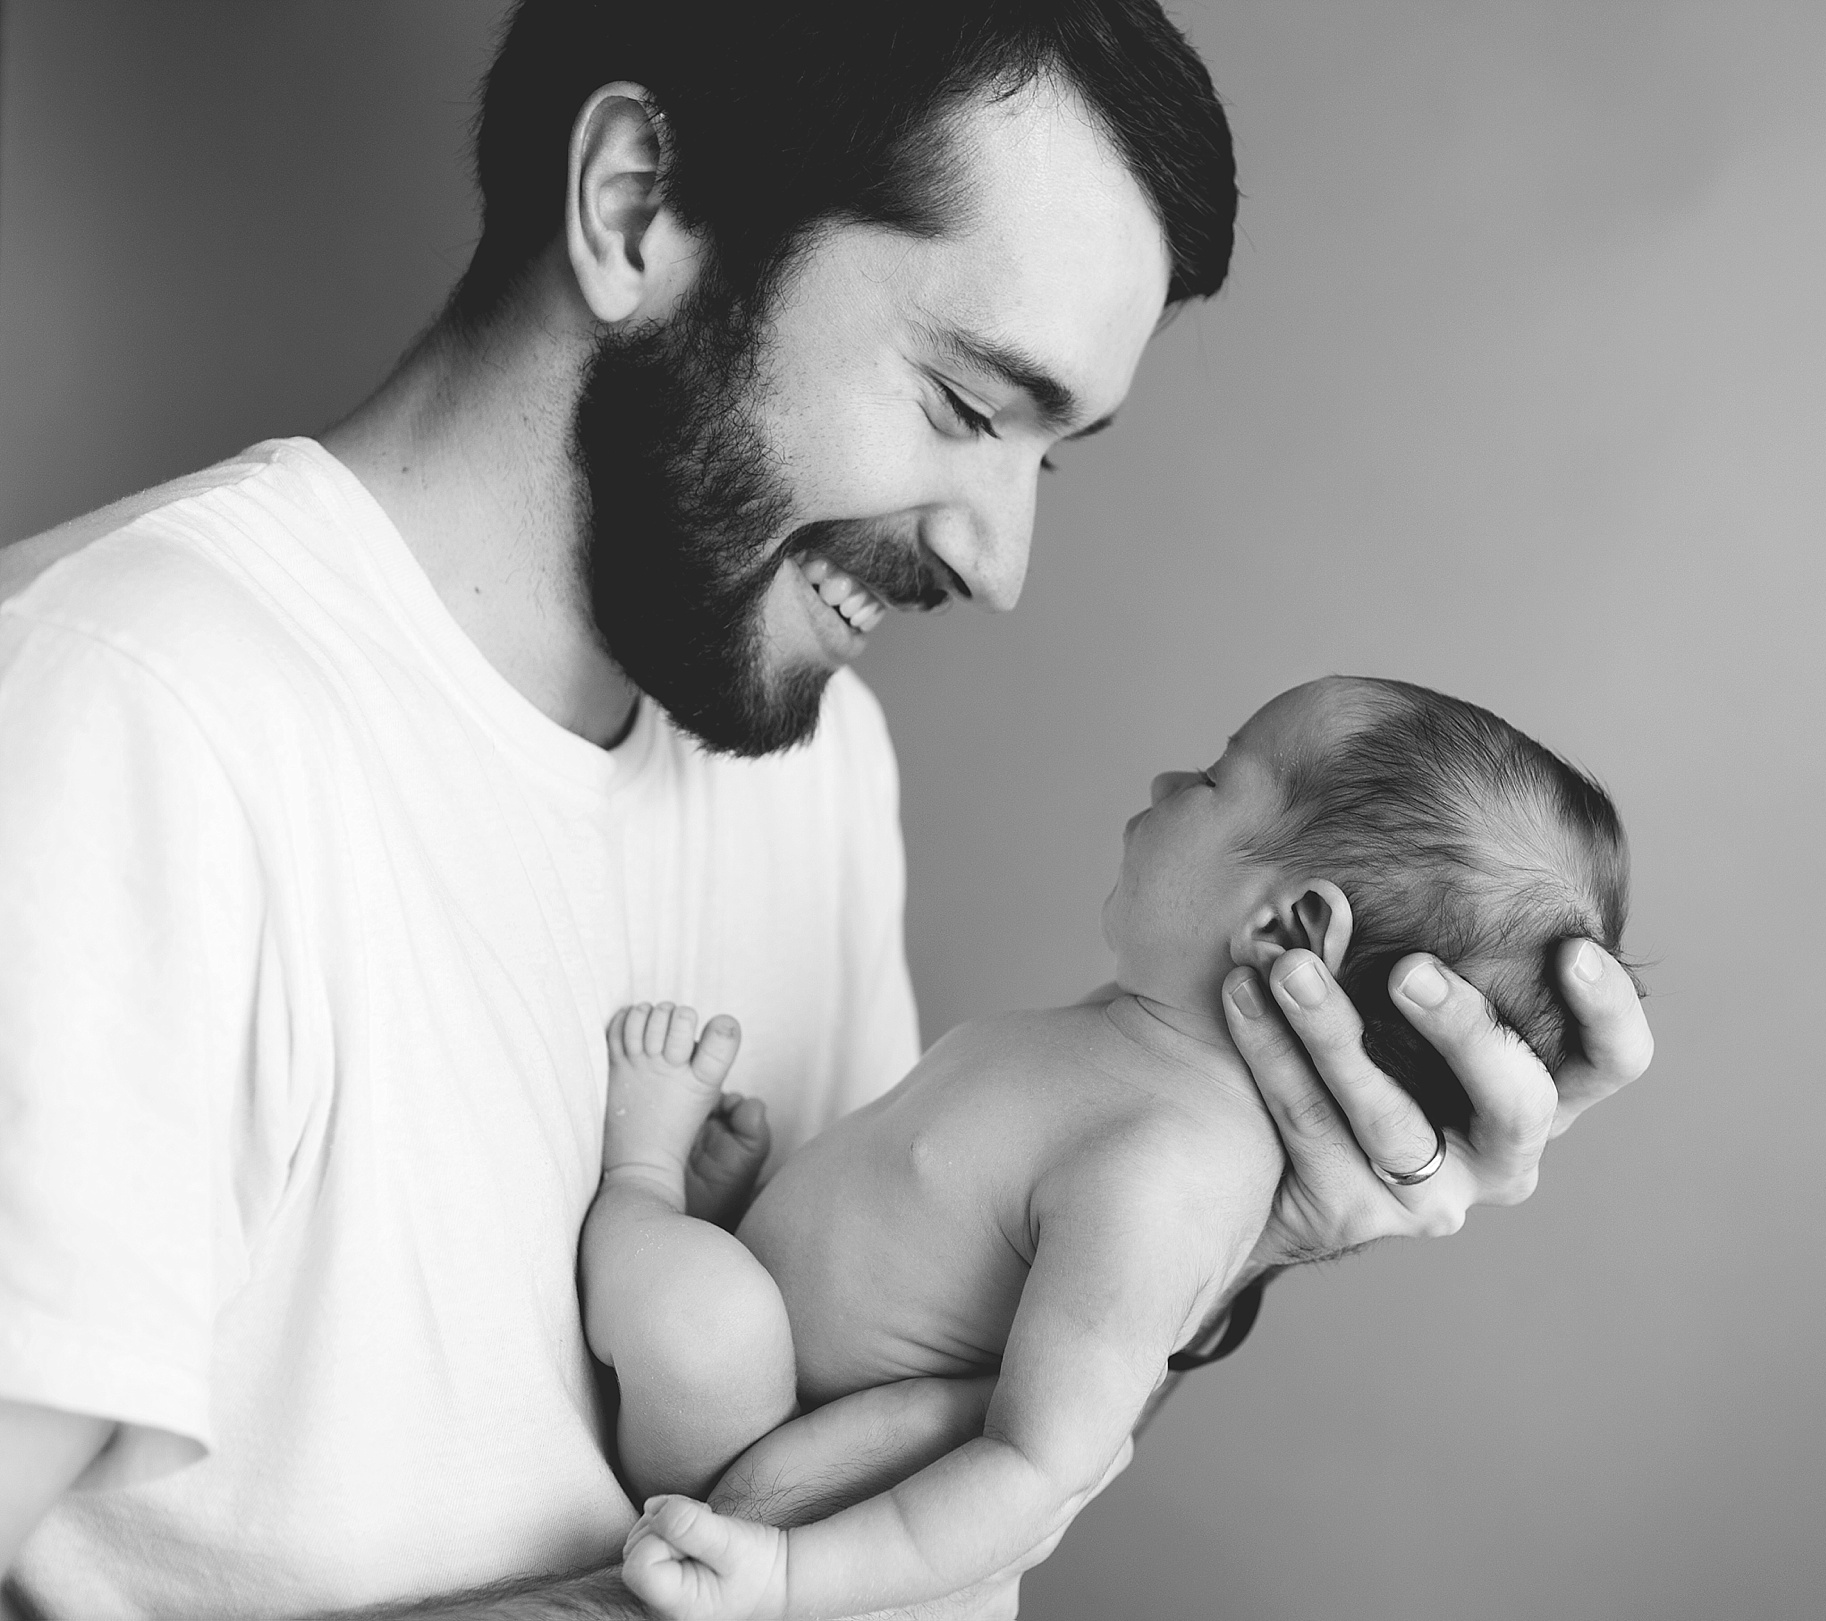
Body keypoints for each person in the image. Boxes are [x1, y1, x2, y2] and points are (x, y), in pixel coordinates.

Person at [0, 3, 1653, 1616]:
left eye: (1048, 458)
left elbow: (871, 1424)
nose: (1001, 565)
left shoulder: (815, 761)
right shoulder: (136, 721)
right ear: (637, 206)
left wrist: (1256, 1221)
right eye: (963, 406)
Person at [582, 676, 1635, 1620]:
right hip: (780, 1380)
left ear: (1286, 930)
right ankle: (706, 1220)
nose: (1166, 775)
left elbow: (1037, 1463)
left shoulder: (1168, 1171)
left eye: (1215, 777)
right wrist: (760, 1200)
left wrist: (784, 1578)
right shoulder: (1136, 1038)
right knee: (717, 1293)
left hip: (767, 1459)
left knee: (699, 1314)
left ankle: (641, 1173)